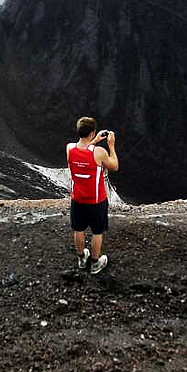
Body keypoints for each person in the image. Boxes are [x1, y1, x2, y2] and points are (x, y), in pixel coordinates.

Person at [66, 117, 119, 274]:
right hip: (96, 201)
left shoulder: (69, 148)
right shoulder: (100, 152)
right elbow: (114, 166)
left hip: (77, 199)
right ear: (92, 132)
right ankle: (95, 263)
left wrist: (93, 140)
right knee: (97, 232)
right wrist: (111, 145)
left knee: (79, 229)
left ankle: (82, 258)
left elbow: (83, 150)